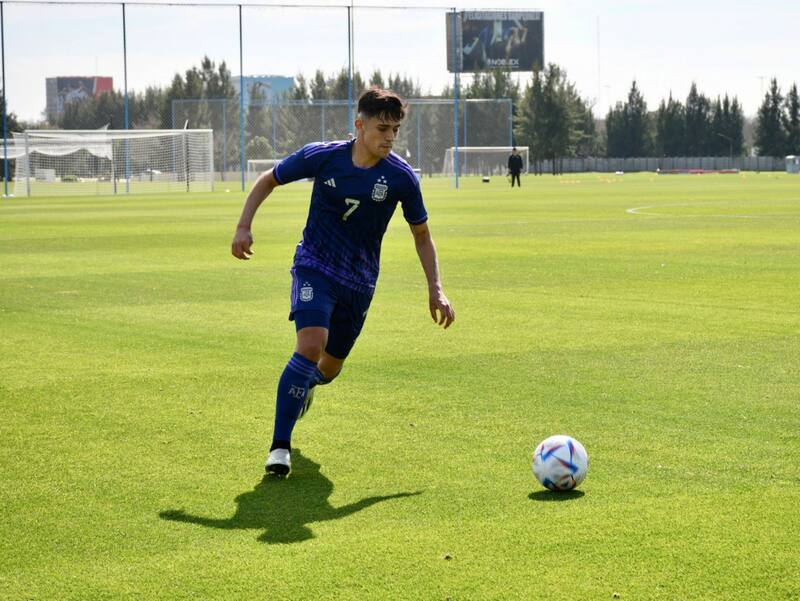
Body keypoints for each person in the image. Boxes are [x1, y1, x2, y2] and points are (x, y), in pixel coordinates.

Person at [231, 88, 456, 476]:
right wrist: (243, 225)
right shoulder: (325, 156)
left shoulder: (400, 177)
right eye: (382, 128)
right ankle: (279, 447)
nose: (389, 137)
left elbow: (422, 235)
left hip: (359, 281)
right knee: (309, 344)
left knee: (329, 368)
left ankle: (306, 386)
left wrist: (435, 287)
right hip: (315, 266)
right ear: (360, 125)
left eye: (395, 130)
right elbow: (269, 179)